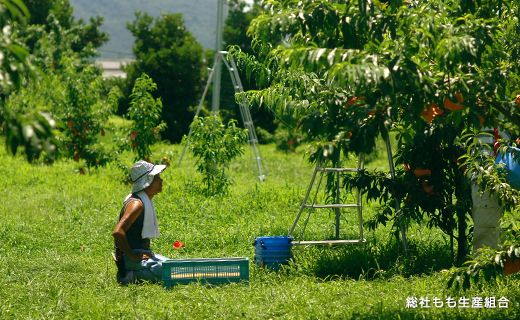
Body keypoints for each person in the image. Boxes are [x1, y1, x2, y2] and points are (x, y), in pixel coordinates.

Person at [112, 160, 169, 284]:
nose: (161, 180)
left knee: (171, 265)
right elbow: (118, 232)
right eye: (157, 178)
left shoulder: (142, 200)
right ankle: (129, 276)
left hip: (141, 256)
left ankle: (137, 272)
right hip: (131, 261)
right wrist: (131, 255)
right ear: (147, 182)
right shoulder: (137, 204)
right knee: (168, 272)